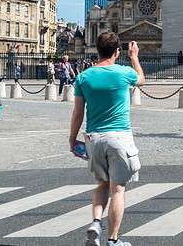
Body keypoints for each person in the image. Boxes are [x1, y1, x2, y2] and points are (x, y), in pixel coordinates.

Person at [69, 32, 145, 246]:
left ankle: (95, 222)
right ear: (116, 52)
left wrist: (73, 138)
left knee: (101, 184)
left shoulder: (83, 77)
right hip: (119, 136)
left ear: (97, 50)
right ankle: (113, 240)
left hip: (95, 137)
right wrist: (134, 57)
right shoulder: (124, 73)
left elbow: (77, 113)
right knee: (118, 189)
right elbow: (142, 80)